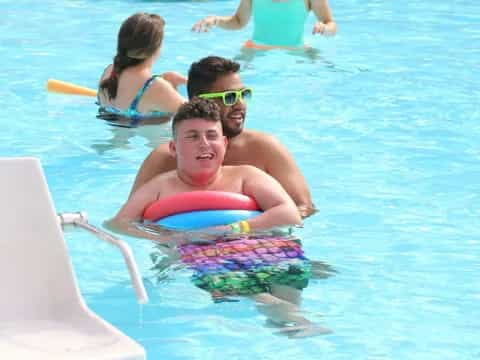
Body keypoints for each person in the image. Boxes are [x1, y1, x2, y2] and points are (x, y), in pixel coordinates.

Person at [108, 98, 329, 337]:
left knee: (287, 273)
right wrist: (170, 237)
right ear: (173, 148)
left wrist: (231, 229)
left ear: (224, 143)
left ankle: (286, 319)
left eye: (211, 136)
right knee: (245, 288)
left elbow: (289, 214)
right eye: (192, 137)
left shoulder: (245, 176)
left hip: (260, 243)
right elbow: (117, 223)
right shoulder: (160, 186)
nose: (204, 144)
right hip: (199, 252)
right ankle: (291, 319)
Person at [129, 56, 315, 218]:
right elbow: (133, 218)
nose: (240, 104)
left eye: (243, 94)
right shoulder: (165, 158)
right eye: (230, 97)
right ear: (199, 101)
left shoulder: (264, 149)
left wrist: (248, 234)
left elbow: (304, 207)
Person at [97, 12, 186, 128]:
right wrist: (183, 83)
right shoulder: (154, 86)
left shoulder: (109, 71)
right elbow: (200, 113)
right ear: (156, 49)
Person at [191, 0, 337, 49]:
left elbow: (330, 23)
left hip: (297, 51)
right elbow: (238, 21)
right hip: (256, 49)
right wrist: (216, 20)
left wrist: (325, 29)